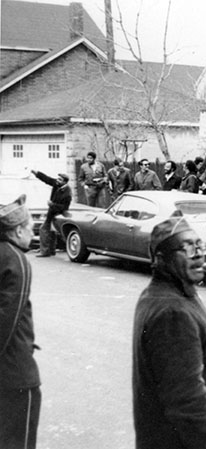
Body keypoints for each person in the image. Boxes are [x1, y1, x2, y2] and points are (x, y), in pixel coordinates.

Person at [132, 216, 206, 449]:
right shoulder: (171, 312)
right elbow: (188, 406)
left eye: (199, 245)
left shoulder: (172, 296)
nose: (197, 254)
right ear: (161, 260)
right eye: (186, 248)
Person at [0, 195, 41, 449]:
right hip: (15, 374)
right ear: (17, 231)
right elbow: (8, 319)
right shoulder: (17, 260)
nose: (33, 235)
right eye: (30, 229)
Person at [31, 170, 72, 257]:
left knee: (43, 229)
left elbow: (64, 208)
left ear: (64, 182)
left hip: (58, 213)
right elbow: (47, 179)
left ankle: (45, 251)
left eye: (60, 179)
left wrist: (52, 204)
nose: (57, 180)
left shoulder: (67, 194)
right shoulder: (57, 185)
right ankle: (51, 250)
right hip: (53, 212)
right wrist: (37, 173)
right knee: (52, 231)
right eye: (58, 178)